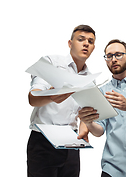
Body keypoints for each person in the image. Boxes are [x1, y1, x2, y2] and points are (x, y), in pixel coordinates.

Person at [27, 24, 96, 177]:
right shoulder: (50, 62)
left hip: (71, 142)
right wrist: (51, 95)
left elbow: (85, 109)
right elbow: (33, 97)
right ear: (70, 43)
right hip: (43, 141)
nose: (86, 44)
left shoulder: (89, 78)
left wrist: (84, 125)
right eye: (81, 39)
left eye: (90, 42)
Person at [78, 39, 126, 177]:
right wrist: (89, 122)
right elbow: (99, 131)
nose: (114, 59)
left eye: (119, 54)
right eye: (109, 56)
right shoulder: (101, 92)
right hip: (113, 169)